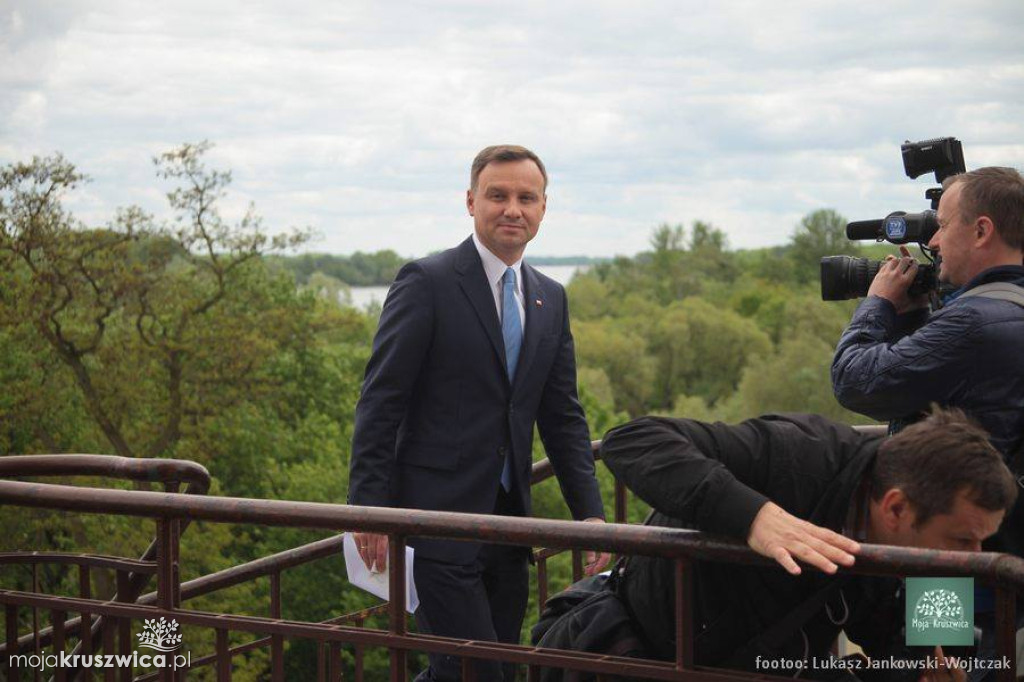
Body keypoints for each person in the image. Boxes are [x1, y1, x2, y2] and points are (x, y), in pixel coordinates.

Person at [348, 144, 609, 681]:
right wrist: (367, 510)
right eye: (498, 195)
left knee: (487, 670)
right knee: (478, 671)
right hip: (434, 521)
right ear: (471, 202)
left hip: (508, 528)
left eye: (526, 197)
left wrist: (591, 517)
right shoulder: (428, 281)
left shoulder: (550, 298)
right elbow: (381, 400)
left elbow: (562, 417)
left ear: (542, 209)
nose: (512, 208)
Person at [534, 407, 1017, 681]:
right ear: (895, 508)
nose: (972, 560)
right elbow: (632, 440)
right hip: (644, 653)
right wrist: (755, 517)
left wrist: (925, 672)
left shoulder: (936, 560)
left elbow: (929, 655)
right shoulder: (798, 455)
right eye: (961, 540)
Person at [831, 166, 1024, 462]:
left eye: (943, 226)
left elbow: (855, 382)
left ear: (981, 231)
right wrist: (913, 314)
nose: (933, 243)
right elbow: (934, 376)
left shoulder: (972, 324)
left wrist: (878, 302)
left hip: (965, 502)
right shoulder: (1006, 311)